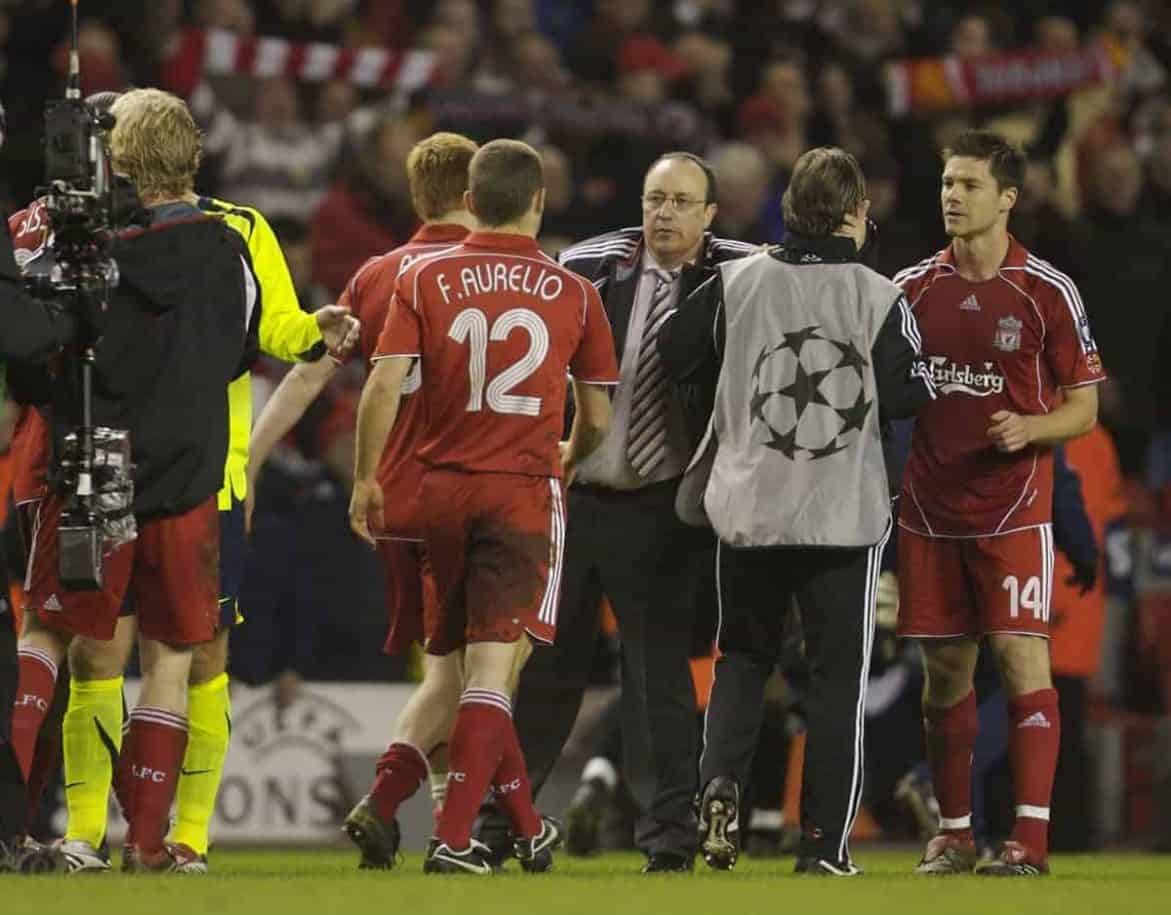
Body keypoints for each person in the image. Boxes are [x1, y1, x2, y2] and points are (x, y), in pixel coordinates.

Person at [6, 88, 359, 874]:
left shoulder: (206, 231)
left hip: (153, 469)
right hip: (194, 469)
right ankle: (96, 835)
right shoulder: (213, 240)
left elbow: (279, 328)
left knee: (179, 658)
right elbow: (255, 334)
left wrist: (314, 328)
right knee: (140, 656)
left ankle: (177, 837)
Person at [658, 147, 937, 876]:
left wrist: (724, 410)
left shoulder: (734, 281)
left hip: (750, 503)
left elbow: (674, 349)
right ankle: (821, 848)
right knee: (834, 683)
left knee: (741, 661)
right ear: (853, 215)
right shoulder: (879, 297)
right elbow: (910, 394)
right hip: (840, 512)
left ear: (788, 212)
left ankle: (718, 790)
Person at [479, 152, 755, 873]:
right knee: (542, 669)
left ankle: (667, 839)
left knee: (656, 682)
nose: (661, 212)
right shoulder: (589, 264)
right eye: (652, 197)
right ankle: (497, 824)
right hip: (574, 497)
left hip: (663, 507)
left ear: (708, 215)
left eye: (678, 201)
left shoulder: (739, 274)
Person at [349, 138, 619, 874]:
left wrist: (366, 477)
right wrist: (569, 452)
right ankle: (455, 837)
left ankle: (503, 823)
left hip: (438, 491)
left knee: (458, 669)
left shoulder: (425, 276)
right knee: (494, 672)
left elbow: (383, 383)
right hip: (519, 490)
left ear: (469, 200)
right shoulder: (573, 291)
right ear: (538, 201)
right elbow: (595, 415)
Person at [243, 131, 481, 869]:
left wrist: (249, 457)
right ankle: (427, 812)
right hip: (480, 492)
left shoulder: (378, 273)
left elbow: (311, 373)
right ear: (479, 195)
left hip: (394, 502)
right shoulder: (508, 273)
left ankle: (454, 816)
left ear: (415, 196)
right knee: (474, 670)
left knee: (447, 665)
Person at [893, 129, 1104, 877]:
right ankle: (951, 833)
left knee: (1021, 658)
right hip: (926, 509)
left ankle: (1029, 840)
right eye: (947, 182)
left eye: (969, 185)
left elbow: (1083, 408)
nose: (952, 195)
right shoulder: (910, 288)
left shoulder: (1045, 290)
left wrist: (1030, 426)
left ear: (1006, 198)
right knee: (943, 674)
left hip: (1013, 508)